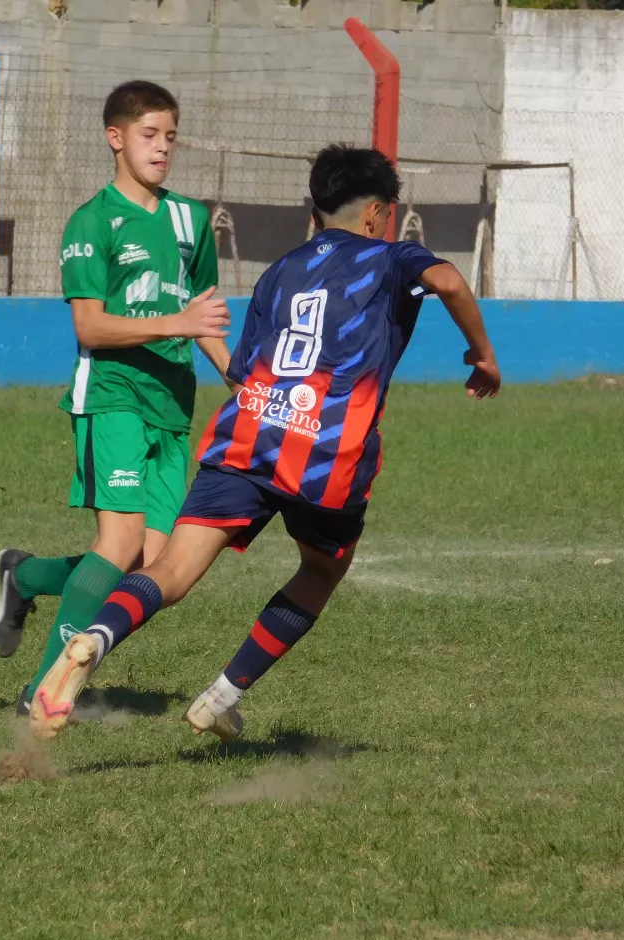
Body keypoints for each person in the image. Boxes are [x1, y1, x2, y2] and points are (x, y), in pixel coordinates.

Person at [26, 144, 501, 742]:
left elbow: (246, 367)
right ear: (379, 215)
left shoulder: (279, 271)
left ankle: (95, 638)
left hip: (247, 432)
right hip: (326, 451)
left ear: (314, 214)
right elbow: (451, 281)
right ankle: (220, 698)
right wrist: (483, 356)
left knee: (171, 567)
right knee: (321, 570)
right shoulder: (391, 257)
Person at [0, 80, 233, 712]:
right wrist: (176, 322)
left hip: (171, 405)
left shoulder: (190, 219)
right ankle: (44, 692)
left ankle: (27, 574)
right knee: (120, 542)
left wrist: (241, 381)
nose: (163, 148)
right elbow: (90, 326)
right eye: (150, 135)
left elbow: (202, 313)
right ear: (115, 138)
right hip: (112, 395)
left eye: (171, 136)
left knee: (148, 569)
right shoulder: (90, 223)